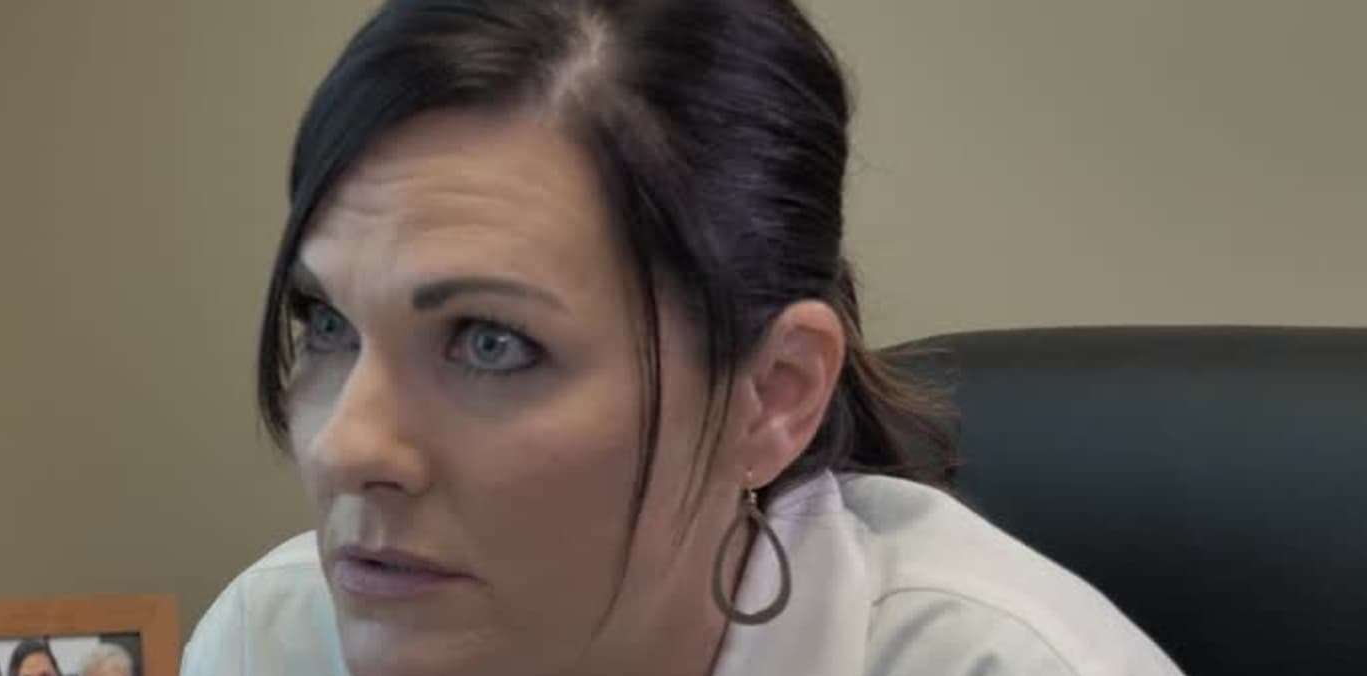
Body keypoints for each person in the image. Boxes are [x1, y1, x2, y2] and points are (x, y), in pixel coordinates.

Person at [181, 1, 1186, 675]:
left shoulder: (1002, 663)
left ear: (773, 396)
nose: (345, 448)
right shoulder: (271, 641)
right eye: (328, 325)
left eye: (491, 343)